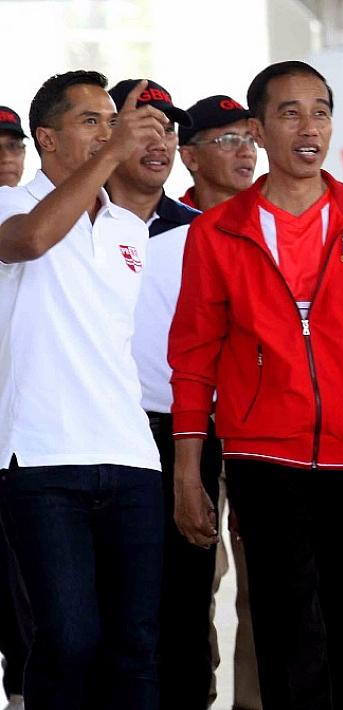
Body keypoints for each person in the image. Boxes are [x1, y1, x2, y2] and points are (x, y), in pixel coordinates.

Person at [169, 61, 343, 710]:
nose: (309, 126)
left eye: (320, 111)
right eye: (290, 113)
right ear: (259, 130)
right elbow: (193, 357)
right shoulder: (219, 231)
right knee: (287, 628)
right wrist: (189, 470)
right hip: (262, 456)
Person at [0, 71, 169, 709]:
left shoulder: (128, 228)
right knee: (68, 639)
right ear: (46, 138)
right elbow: (34, 241)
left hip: (131, 458)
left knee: (135, 648)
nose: (108, 133)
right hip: (40, 460)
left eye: (111, 120)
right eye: (91, 122)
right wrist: (111, 156)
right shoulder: (10, 205)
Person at [102, 77, 223, 710]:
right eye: (143, 126)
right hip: (93, 435)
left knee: (182, 601)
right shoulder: (75, 223)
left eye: (169, 130)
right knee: (106, 609)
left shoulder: (203, 232)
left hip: (181, 433)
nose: (161, 142)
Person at [177, 92, 263, 710]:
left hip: (261, 426)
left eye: (247, 138)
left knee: (265, 587)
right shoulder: (157, 225)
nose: (244, 151)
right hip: (187, 427)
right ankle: (194, 691)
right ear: (189, 156)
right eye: (225, 140)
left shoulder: (273, 221)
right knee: (191, 580)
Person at [0, 104, 30, 710]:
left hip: (20, 445)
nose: (6, 158)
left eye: (13, 145)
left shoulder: (46, 217)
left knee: (23, 600)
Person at [178, 94, 257, 210]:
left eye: (251, 140)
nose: (247, 152)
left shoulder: (273, 221)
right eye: (229, 140)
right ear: (190, 158)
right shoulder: (169, 225)